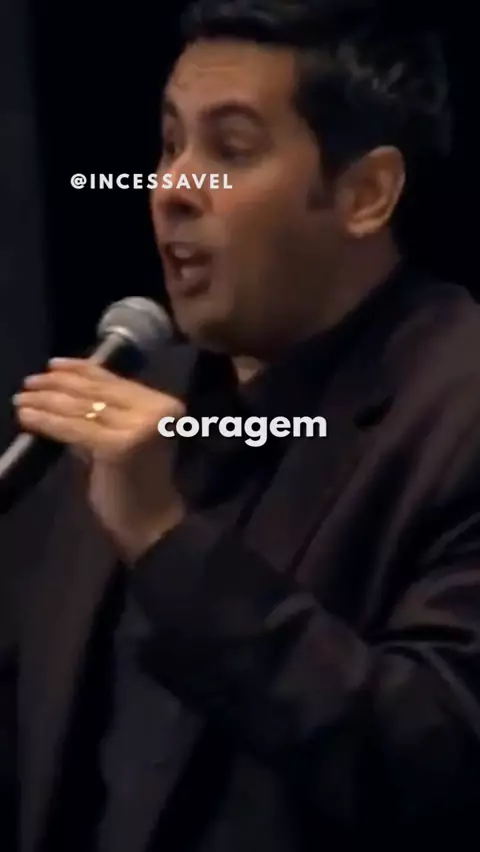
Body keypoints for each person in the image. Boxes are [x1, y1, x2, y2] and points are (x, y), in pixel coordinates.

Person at [3, 0, 480, 849]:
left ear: (365, 193)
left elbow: (435, 760)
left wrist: (164, 538)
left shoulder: (456, 409)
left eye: (230, 151)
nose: (172, 189)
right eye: (169, 144)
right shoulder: (135, 387)